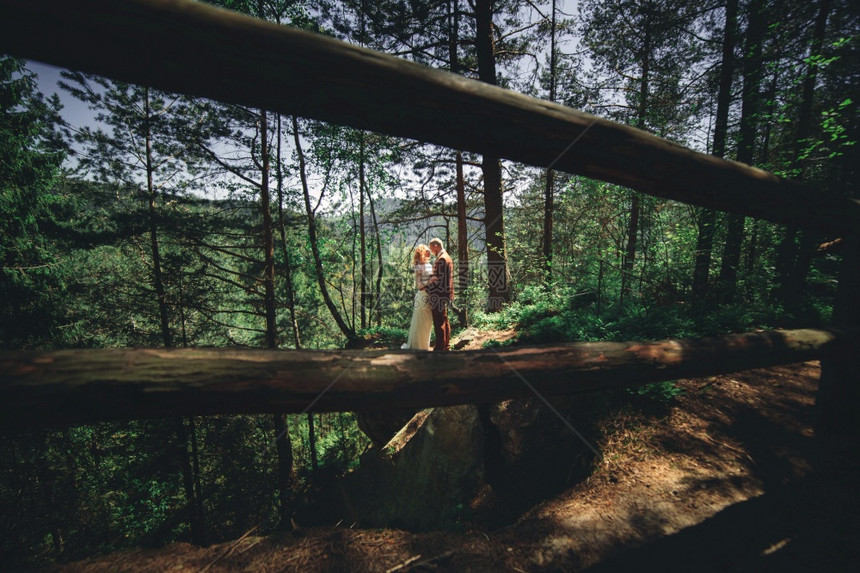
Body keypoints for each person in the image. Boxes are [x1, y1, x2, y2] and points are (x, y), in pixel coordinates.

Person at [423, 238, 454, 352]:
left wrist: (428, 288)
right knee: (444, 320)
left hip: (439, 294)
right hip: (445, 293)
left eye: (431, 248)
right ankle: (446, 345)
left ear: (436, 246)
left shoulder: (442, 259)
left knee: (438, 321)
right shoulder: (447, 257)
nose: (431, 251)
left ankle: (440, 347)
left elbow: (440, 281)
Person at [401, 244, 434, 350]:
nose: (429, 252)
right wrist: (430, 283)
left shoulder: (428, 265)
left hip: (429, 296)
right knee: (420, 323)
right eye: (427, 251)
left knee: (427, 323)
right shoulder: (419, 266)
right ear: (422, 252)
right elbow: (419, 285)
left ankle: (424, 346)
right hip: (423, 296)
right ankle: (419, 347)